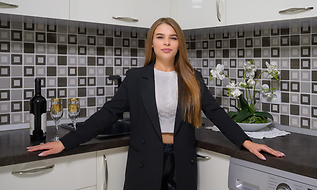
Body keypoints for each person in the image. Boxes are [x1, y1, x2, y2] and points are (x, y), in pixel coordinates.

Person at [28, 17, 285, 190]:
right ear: (152, 42)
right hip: (145, 161)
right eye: (160, 37)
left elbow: (216, 113)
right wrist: (64, 142)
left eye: (172, 37)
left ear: (178, 44)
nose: (166, 42)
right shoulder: (135, 78)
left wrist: (247, 142)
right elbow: (107, 114)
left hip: (182, 161)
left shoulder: (191, 78)